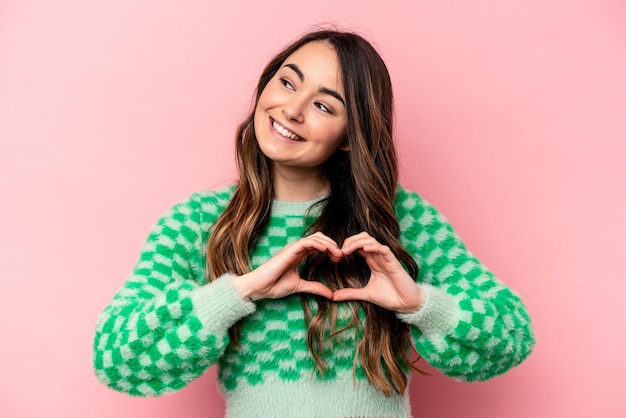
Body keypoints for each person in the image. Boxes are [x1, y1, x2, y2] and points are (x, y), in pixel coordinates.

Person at [93, 29, 535, 417]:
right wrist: (240, 290)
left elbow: (511, 336)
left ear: (350, 137)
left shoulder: (401, 220)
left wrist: (418, 304)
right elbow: (116, 358)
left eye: (324, 106)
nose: (292, 109)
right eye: (287, 82)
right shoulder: (200, 222)